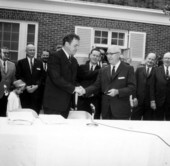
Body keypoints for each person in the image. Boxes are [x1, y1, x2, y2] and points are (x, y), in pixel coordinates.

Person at [80, 45, 136, 120]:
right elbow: (96, 86)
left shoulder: (128, 69)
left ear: (119, 54)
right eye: (107, 54)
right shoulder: (103, 70)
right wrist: (85, 90)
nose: (109, 56)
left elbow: (132, 87)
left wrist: (118, 92)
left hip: (121, 110)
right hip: (106, 110)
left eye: (111, 54)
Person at [43, 33, 82, 118]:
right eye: (75, 45)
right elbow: (56, 78)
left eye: (78, 46)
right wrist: (74, 88)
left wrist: (80, 87)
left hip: (66, 104)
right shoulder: (55, 57)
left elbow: (76, 78)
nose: (77, 48)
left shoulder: (73, 60)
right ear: (67, 44)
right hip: (54, 104)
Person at [15, 44, 44, 114]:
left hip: (36, 94)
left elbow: (42, 76)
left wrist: (36, 86)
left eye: (33, 50)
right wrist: (26, 86)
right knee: (25, 114)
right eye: (30, 50)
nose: (32, 52)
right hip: (25, 93)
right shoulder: (21, 62)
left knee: (35, 114)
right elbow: (18, 76)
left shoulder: (40, 63)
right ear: (26, 51)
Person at [131, 53, 157, 120]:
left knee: (148, 124)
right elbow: (134, 84)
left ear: (155, 61)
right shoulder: (139, 70)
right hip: (138, 101)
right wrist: (134, 97)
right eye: (149, 58)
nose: (150, 61)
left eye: (152, 59)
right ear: (146, 59)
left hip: (149, 103)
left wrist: (153, 100)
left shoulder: (157, 71)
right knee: (134, 122)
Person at [77, 48, 101, 119]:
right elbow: (76, 80)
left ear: (99, 58)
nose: (95, 57)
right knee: (81, 120)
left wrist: (93, 93)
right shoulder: (81, 67)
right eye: (93, 55)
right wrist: (80, 88)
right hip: (82, 99)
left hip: (95, 100)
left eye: (97, 56)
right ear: (89, 55)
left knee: (94, 120)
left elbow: (101, 85)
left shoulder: (102, 70)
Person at [150, 52, 170, 120]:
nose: (167, 60)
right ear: (163, 59)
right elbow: (152, 87)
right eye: (166, 58)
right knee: (157, 123)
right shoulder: (156, 70)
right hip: (158, 102)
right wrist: (152, 101)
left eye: (169, 58)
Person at [0, 47, 16, 117]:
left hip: (7, 93)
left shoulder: (12, 65)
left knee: (4, 113)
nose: (6, 54)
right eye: (4, 53)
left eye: (7, 53)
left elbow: (14, 79)